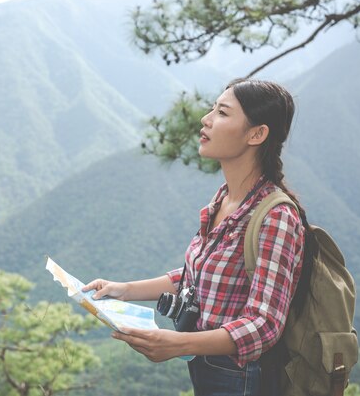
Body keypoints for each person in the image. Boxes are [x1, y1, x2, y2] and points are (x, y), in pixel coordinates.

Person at [82, 78, 317, 396]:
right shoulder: (225, 198)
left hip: (242, 377)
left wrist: (179, 343)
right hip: (208, 366)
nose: (206, 120)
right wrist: (122, 290)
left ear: (257, 134)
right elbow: (199, 275)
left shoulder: (275, 216)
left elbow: (264, 324)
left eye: (222, 112)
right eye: (211, 109)